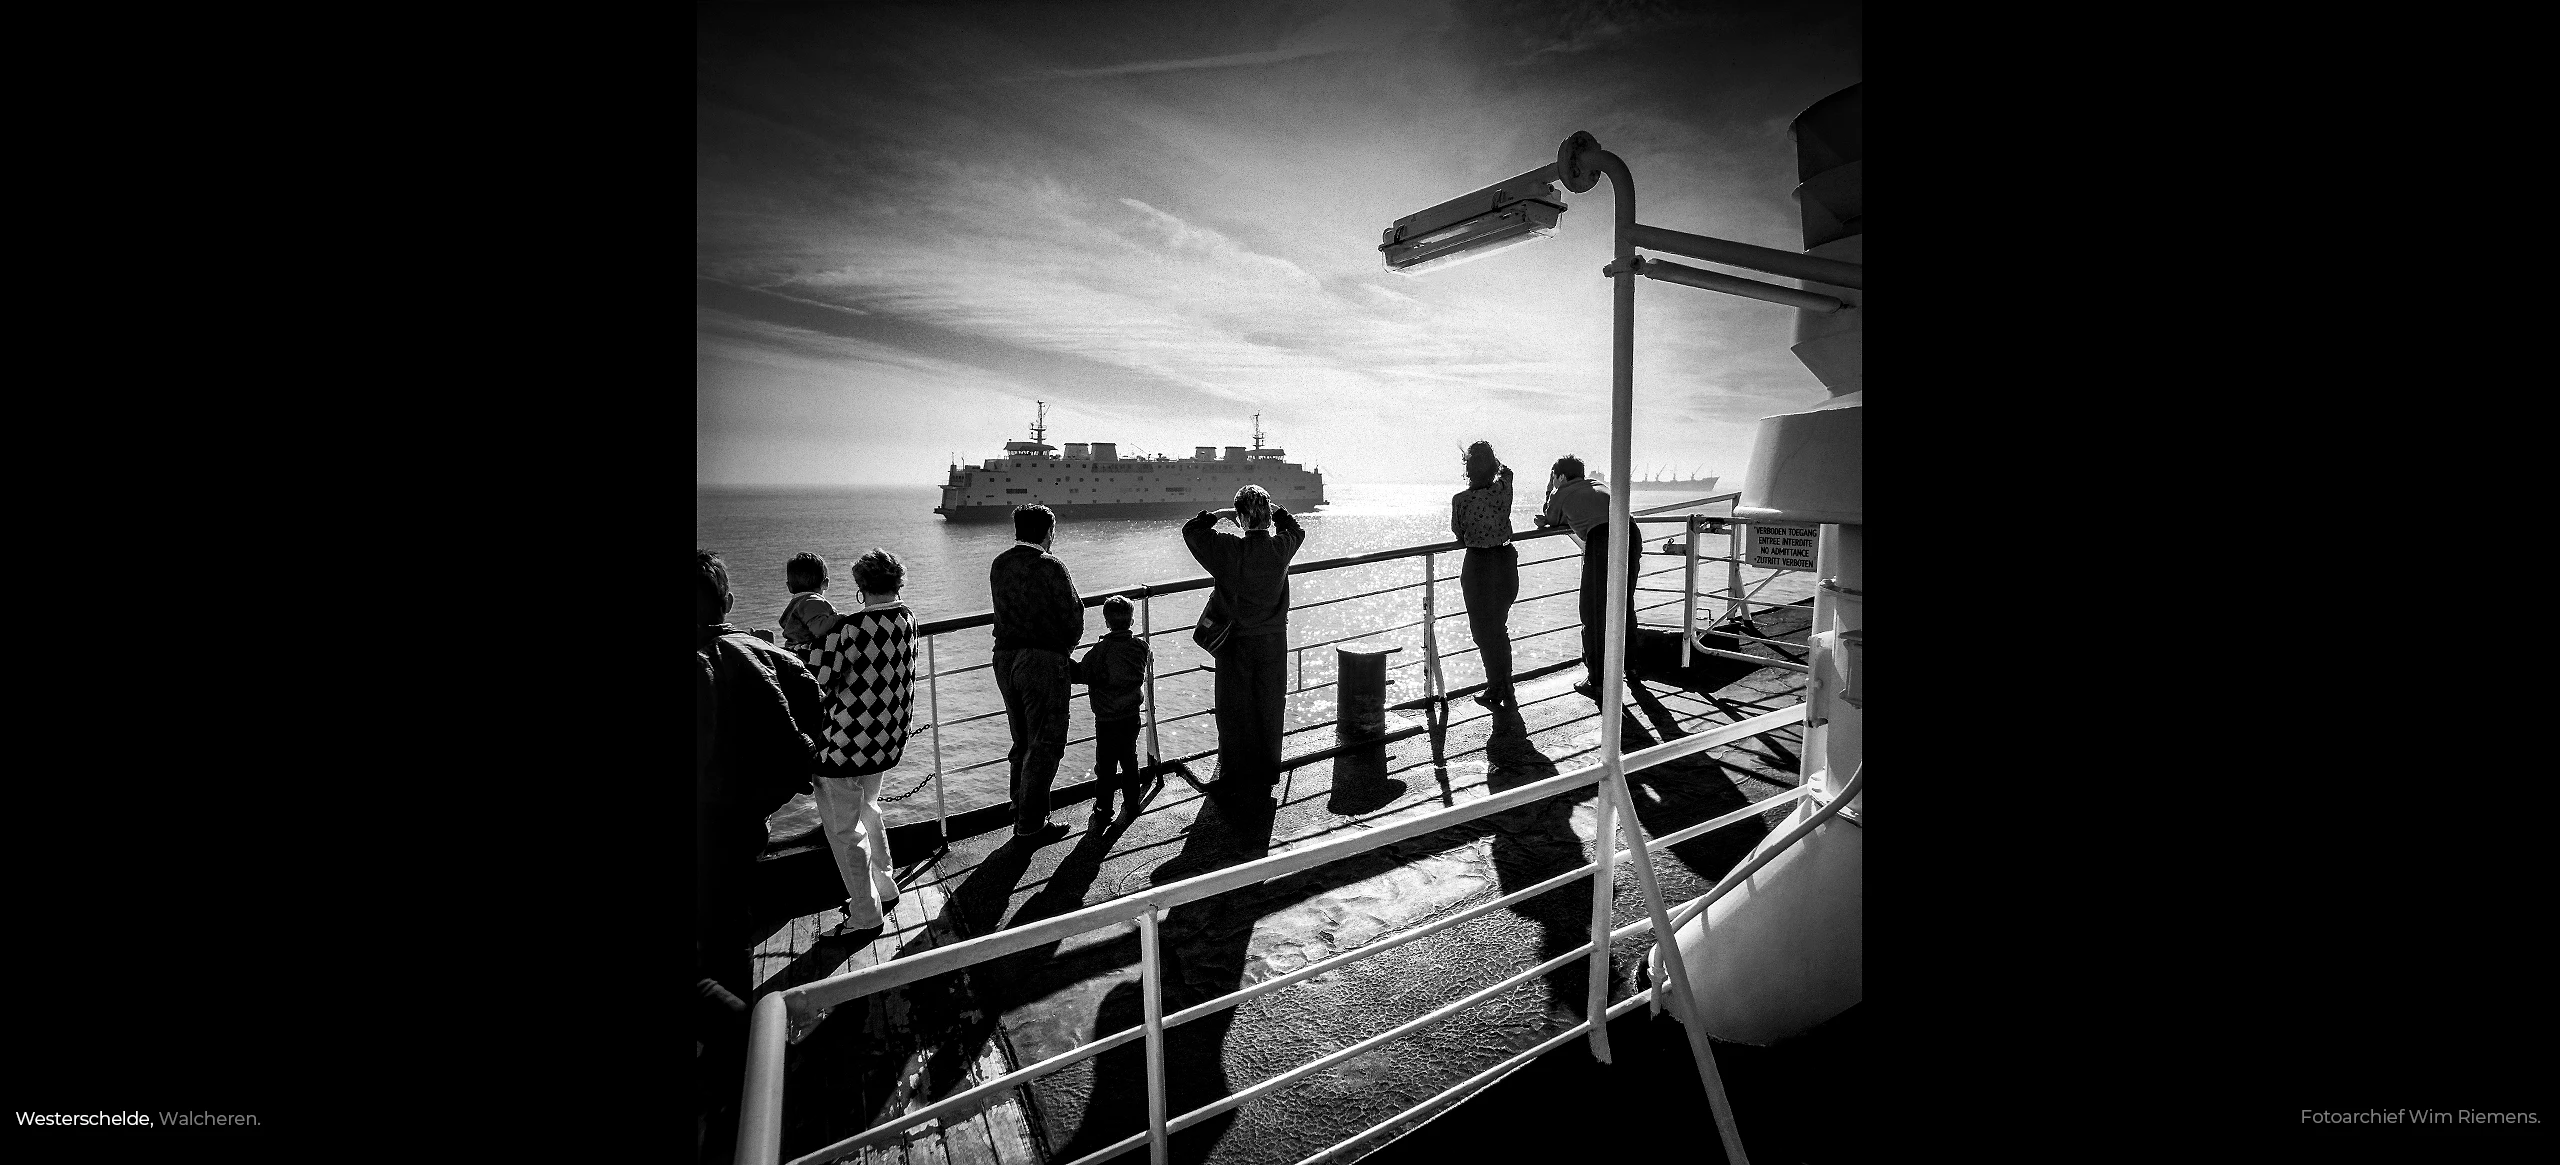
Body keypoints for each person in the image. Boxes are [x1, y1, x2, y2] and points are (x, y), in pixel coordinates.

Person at [695, 549, 823, 1157]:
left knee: (716, 933)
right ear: (727, 599)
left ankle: (736, 1054)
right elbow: (810, 715)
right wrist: (764, 794)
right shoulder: (764, 653)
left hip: (709, 819)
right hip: (744, 816)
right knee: (730, 928)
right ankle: (741, 1055)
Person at [804, 548, 916, 938]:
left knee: (843, 831)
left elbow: (815, 674)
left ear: (860, 587)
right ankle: (885, 886)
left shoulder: (851, 628)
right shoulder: (907, 618)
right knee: (869, 808)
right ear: (897, 582)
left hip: (845, 745)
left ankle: (866, 915)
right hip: (885, 740)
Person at [1183, 484, 1305, 796]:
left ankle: (1234, 772)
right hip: (1272, 640)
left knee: (1233, 709)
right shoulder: (1280, 548)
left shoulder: (1226, 549)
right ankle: (1266, 772)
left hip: (1233, 641)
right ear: (1267, 517)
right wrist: (1275, 511)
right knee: (1269, 705)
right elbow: (1296, 529)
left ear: (1240, 517)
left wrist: (1220, 516)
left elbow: (1192, 531)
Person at [990, 505, 1083, 851]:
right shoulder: (1050, 566)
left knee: (1023, 740)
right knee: (1046, 744)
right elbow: (1073, 614)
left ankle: (1021, 809)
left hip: (1004, 658)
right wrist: (1063, 652)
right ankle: (1030, 826)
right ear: (1048, 531)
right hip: (1041, 661)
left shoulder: (999, 564)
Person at [1535, 455, 1640, 698]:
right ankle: (1631, 666)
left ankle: (1596, 679)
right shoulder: (1596, 484)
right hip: (1630, 532)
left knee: (1592, 611)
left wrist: (1550, 490)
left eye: (1554, 477)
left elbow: (1551, 518)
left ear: (1560, 476)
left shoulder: (1560, 491)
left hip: (1603, 540)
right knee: (1623, 603)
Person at [1451, 441, 1519, 709]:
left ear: (1468, 469)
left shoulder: (1461, 500)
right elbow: (1508, 471)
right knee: (1498, 628)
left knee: (1482, 630)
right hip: (1504, 561)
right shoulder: (1503, 489)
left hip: (1478, 565)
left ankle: (1497, 686)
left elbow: (1459, 534)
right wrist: (1496, 466)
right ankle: (1505, 685)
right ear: (1491, 466)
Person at [1071, 595, 1151, 823]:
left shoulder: (1100, 652)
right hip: (1131, 715)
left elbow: (1080, 674)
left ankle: (1104, 808)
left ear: (1106, 622)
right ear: (1132, 621)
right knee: (1130, 758)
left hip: (1106, 719)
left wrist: (1062, 658)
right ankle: (1133, 803)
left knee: (1105, 766)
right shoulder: (1140, 648)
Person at [777, 551, 847, 650]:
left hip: (793, 650)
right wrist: (841, 618)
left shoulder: (794, 604)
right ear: (826, 583)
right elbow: (819, 629)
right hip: (808, 653)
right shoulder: (812, 601)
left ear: (789, 587)